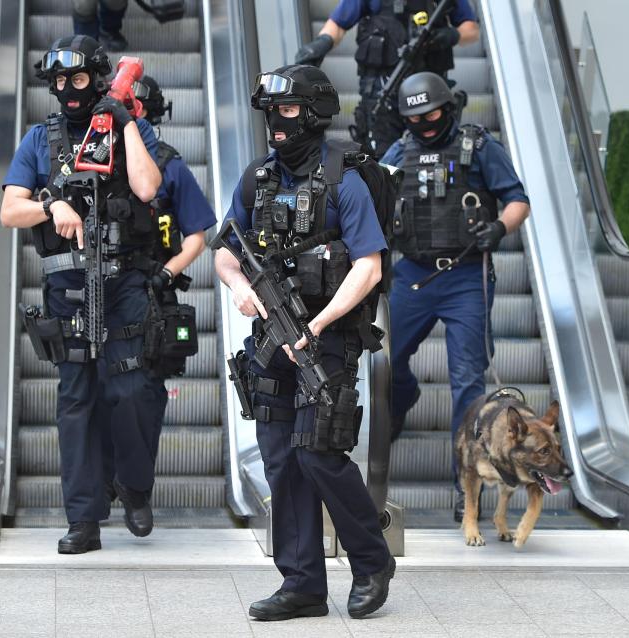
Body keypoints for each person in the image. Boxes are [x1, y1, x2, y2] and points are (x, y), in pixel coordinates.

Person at [214, 64, 395, 621]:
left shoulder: (346, 179)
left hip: (330, 337)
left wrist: (317, 326)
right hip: (271, 336)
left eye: (287, 111)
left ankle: (370, 562)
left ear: (314, 113)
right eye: (270, 113)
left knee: (318, 452)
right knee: (280, 461)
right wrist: (242, 287)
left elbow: (368, 266)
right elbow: (223, 250)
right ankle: (302, 584)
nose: (276, 122)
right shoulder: (258, 178)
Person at [0, 35, 170, 554]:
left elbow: (146, 188)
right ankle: (84, 520)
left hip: (125, 284)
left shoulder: (128, 128)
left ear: (96, 78)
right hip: (68, 289)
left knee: (131, 391)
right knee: (77, 401)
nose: (67, 90)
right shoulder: (39, 139)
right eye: (58, 82)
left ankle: (135, 487)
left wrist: (123, 122)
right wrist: (51, 207)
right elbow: (11, 210)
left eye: (76, 80)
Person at [379, 72, 529, 522]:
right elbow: (370, 197)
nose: (424, 124)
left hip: (466, 275)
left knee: (468, 381)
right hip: (413, 275)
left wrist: (500, 227)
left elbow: (517, 198)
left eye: (431, 115)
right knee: (387, 360)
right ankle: (403, 400)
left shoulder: (477, 146)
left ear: (449, 107)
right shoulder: (398, 150)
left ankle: (465, 482)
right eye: (413, 118)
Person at [100, 73, 216, 512]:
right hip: (103, 290)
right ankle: (109, 478)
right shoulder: (95, 162)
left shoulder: (171, 166)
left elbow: (197, 236)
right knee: (101, 392)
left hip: (154, 294)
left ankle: (137, 488)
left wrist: (166, 274)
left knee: (145, 395)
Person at [296, 0, 480, 158]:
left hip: (429, 94)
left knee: (433, 157)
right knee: (383, 163)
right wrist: (322, 44)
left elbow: (471, 30)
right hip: (380, 94)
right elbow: (337, 24)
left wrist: (453, 35)